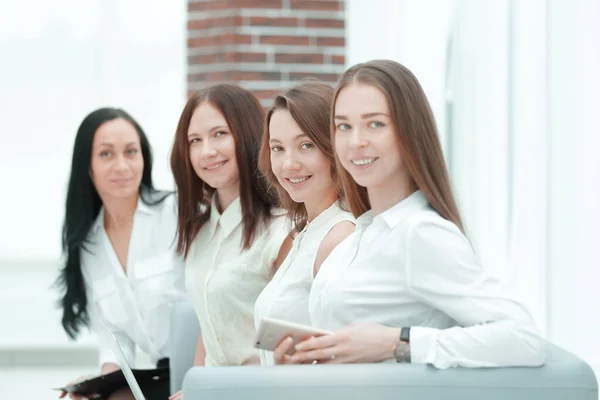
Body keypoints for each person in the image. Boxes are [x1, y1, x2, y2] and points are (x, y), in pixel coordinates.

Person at [275, 60, 546, 368]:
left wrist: (397, 343)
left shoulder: (420, 233)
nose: (356, 141)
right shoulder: (362, 234)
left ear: (408, 131)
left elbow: (524, 338)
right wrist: (308, 361)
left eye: (375, 124)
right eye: (344, 126)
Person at [168, 83, 290, 399]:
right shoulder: (199, 231)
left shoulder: (281, 229)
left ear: (247, 136)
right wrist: (191, 389)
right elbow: (209, 330)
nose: (206, 151)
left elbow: (289, 348)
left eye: (219, 134)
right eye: (195, 140)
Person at [56, 108, 186, 400]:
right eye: (106, 154)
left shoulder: (177, 213)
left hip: (204, 366)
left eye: (131, 152)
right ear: (86, 166)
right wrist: (99, 385)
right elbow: (114, 337)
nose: (122, 166)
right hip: (158, 375)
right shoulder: (89, 244)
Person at [254, 81, 355, 365]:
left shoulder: (340, 236)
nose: (289, 164)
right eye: (277, 148)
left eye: (306, 145)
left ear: (333, 148)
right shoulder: (307, 232)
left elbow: (342, 363)